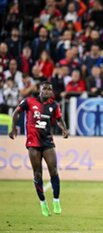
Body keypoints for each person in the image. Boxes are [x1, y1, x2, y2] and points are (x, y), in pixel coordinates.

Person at [9, 81, 69, 217]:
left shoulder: (54, 105)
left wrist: (64, 129)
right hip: (33, 143)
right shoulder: (29, 101)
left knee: (53, 171)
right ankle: (43, 203)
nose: (47, 91)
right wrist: (13, 128)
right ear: (40, 90)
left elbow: (59, 119)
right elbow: (15, 113)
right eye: (45, 89)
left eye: (50, 89)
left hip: (47, 141)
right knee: (37, 174)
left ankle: (56, 200)